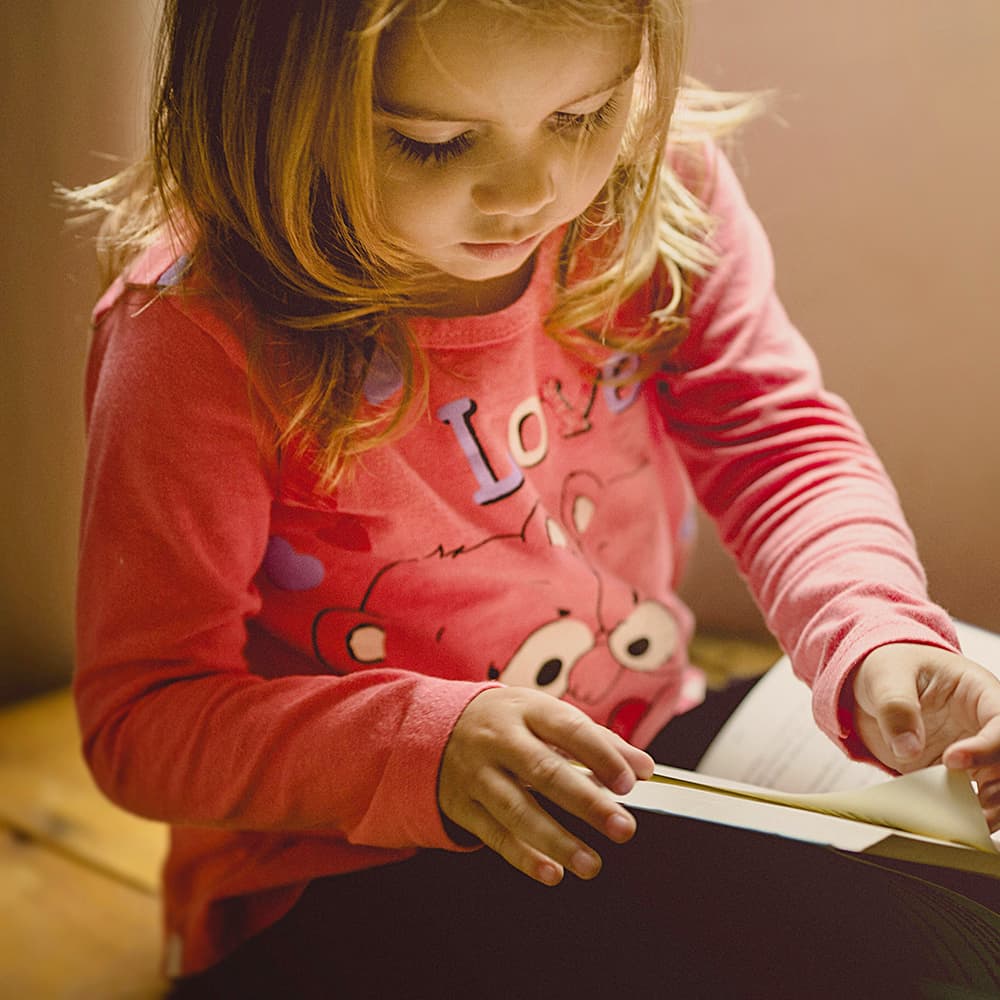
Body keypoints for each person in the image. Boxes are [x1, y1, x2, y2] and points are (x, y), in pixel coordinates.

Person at [68, 0, 1000, 996]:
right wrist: (423, 745)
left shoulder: (649, 196)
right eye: (433, 143)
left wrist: (873, 628)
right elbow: (144, 718)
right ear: (256, 106)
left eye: (582, 115)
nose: (531, 191)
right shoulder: (196, 337)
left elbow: (774, 439)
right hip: (340, 871)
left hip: (644, 759)